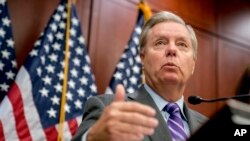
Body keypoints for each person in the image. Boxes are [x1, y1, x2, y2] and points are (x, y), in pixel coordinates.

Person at [72, 11, 208, 141]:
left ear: (193, 65)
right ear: (142, 58)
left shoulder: (207, 124)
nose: (172, 49)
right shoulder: (108, 108)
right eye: (160, 43)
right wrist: (93, 138)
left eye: (182, 44)